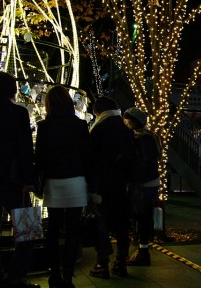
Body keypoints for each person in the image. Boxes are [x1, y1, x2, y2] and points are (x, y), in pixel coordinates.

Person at [0, 72, 39, 288]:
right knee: (27, 230)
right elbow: (23, 148)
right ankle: (16, 275)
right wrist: (28, 178)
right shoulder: (19, 113)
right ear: (13, 89)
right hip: (15, 182)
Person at [35, 85, 89, 288]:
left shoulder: (45, 127)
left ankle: (53, 273)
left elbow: (39, 158)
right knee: (73, 231)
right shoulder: (80, 126)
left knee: (54, 229)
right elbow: (87, 156)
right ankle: (68, 274)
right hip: (76, 181)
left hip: (54, 181)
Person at [87, 96, 137, 279]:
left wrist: (91, 186)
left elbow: (90, 160)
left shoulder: (98, 129)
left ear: (98, 112)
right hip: (122, 186)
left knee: (101, 223)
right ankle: (121, 261)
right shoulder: (126, 130)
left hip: (102, 186)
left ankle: (102, 262)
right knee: (121, 223)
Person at [122, 107, 162, 267]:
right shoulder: (144, 136)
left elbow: (147, 163)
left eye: (128, 118)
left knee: (142, 216)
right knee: (141, 216)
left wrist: (133, 179)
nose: (125, 122)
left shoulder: (144, 138)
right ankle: (142, 250)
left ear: (135, 121)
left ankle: (143, 252)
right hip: (146, 182)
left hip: (144, 184)